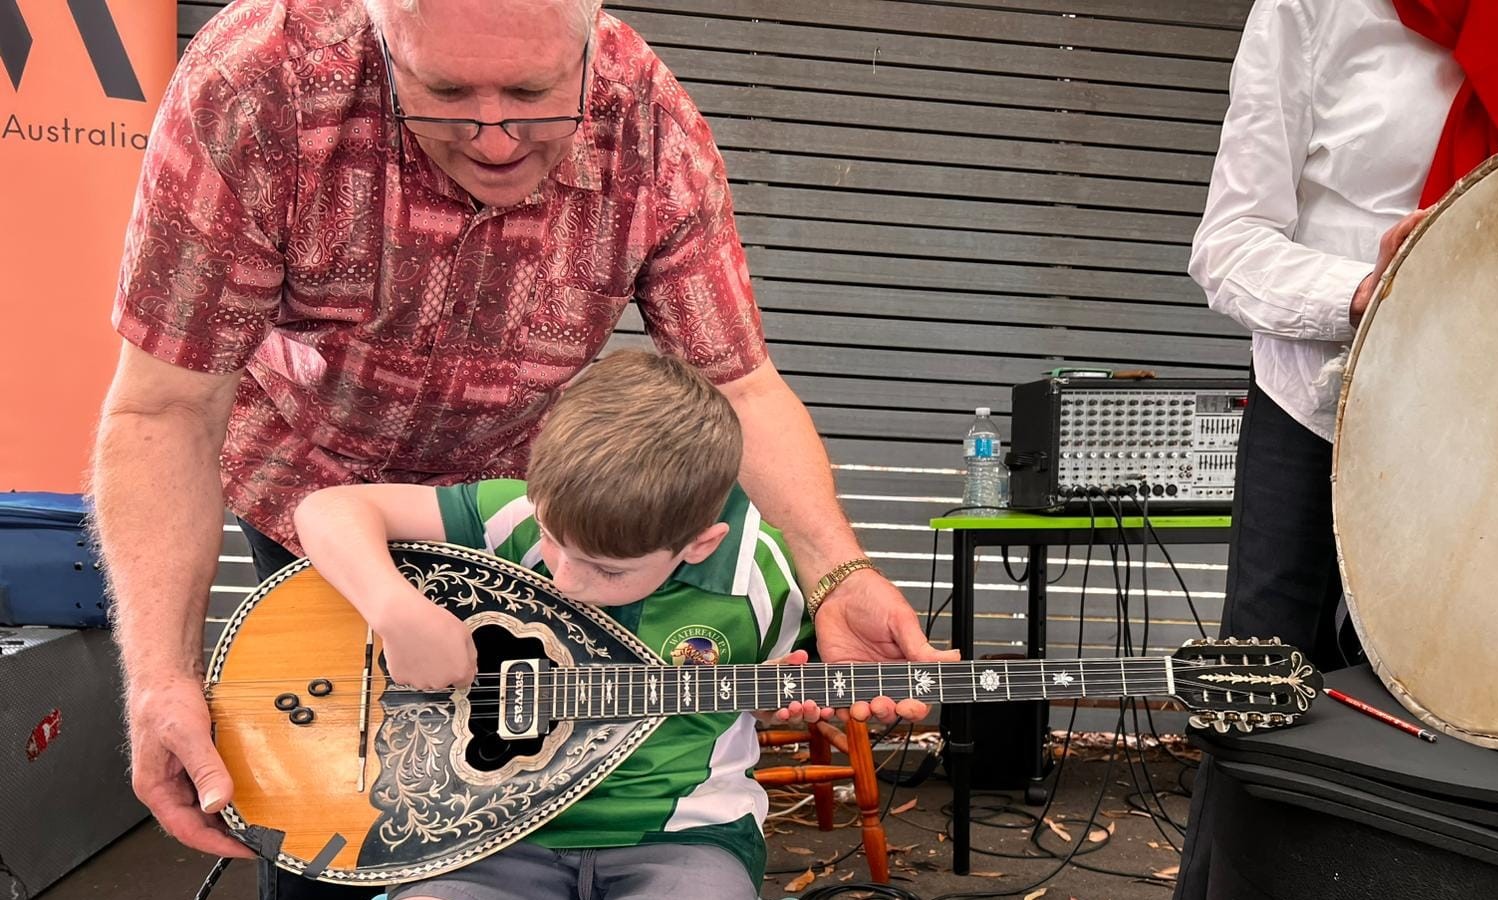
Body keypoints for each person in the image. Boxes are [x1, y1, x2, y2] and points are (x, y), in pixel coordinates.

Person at [89, 1, 956, 897]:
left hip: (528, 521)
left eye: (535, 94)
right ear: (383, 39)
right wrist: (161, 678)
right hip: (314, 504)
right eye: (446, 93)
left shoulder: (653, 129)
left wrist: (836, 572)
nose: (496, 137)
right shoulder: (255, 87)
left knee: (506, 806)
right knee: (328, 845)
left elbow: (737, 383)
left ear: (587, 47)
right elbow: (165, 411)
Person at [1175, 0, 1498, 895]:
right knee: (1263, 714)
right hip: (1318, 417)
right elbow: (1228, 244)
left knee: (1496, 733)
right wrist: (1381, 289)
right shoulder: (1311, 8)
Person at [294, 350, 821, 899]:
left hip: (684, 837)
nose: (565, 576)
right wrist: (398, 612)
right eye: (552, 539)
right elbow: (327, 511)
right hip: (482, 835)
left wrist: (774, 696)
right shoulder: (515, 517)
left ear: (698, 544)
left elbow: (792, 681)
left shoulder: (765, 580)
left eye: (606, 568)